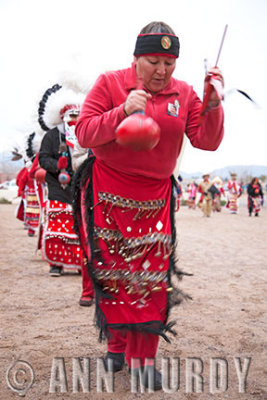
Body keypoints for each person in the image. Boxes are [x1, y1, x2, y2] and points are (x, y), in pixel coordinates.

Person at [74, 21, 224, 389]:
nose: (162, 70)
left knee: (151, 280)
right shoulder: (110, 82)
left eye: (169, 63)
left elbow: (207, 141)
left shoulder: (185, 93)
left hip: (154, 199)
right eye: (153, 61)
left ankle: (143, 358)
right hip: (107, 193)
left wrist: (214, 103)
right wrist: (122, 111)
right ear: (136, 58)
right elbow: (83, 132)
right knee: (113, 274)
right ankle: (115, 345)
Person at [38, 83, 94, 307]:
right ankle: (57, 263)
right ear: (62, 116)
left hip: (81, 187)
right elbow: (43, 158)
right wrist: (57, 165)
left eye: (77, 114)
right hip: (58, 189)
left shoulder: (85, 133)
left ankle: (82, 266)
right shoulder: (52, 136)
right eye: (70, 114)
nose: (74, 118)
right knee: (58, 229)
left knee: (80, 229)